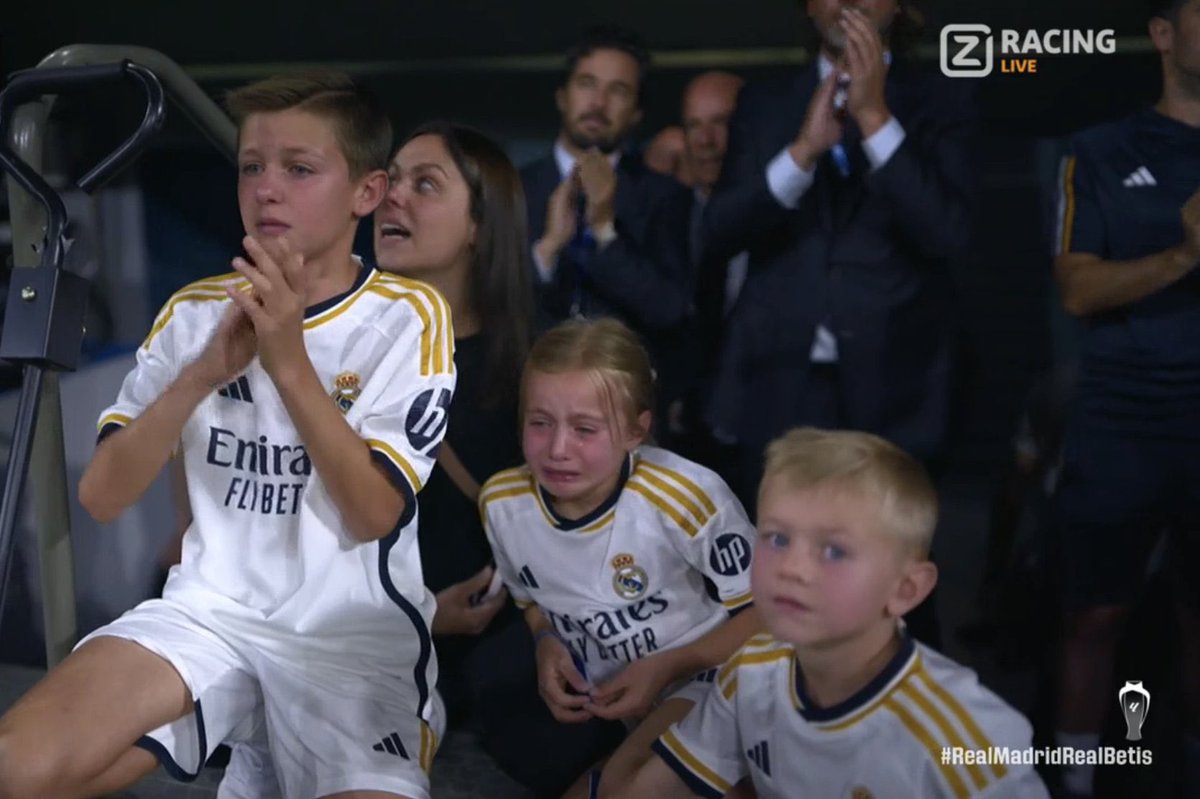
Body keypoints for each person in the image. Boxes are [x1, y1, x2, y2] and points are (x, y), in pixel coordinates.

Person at [0, 72, 455, 799]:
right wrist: (200, 375)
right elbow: (102, 494)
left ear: (366, 194)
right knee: (17, 767)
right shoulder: (193, 313)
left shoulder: (406, 316)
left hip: (345, 640)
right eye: (252, 167)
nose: (267, 188)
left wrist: (289, 361)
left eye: (299, 169)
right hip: (207, 615)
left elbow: (373, 513)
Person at [604, 428, 1051, 798]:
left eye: (834, 550)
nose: (792, 568)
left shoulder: (966, 742)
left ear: (905, 589)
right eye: (777, 539)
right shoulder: (752, 670)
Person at [700, 0, 974, 508]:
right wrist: (801, 153)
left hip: (899, 389)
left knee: (890, 568)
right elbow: (716, 235)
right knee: (771, 559)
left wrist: (874, 118)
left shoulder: (944, 95)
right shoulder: (763, 102)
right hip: (776, 382)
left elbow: (949, 234)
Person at [479, 318, 762, 799]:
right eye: (540, 423)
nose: (558, 449)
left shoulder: (685, 495)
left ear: (636, 431)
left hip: (717, 676)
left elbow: (773, 614)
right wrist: (546, 641)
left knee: (629, 790)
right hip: (628, 707)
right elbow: (530, 600)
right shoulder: (502, 504)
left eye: (585, 429)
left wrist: (672, 665)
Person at [1052, 1, 1200, 795]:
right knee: (1095, 614)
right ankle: (1075, 777)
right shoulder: (1100, 150)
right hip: (1124, 420)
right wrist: (1183, 254)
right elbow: (1076, 288)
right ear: (1165, 32)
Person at [521, 25, 694, 444]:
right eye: (586, 85)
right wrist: (545, 251)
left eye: (618, 91)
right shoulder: (511, 188)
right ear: (563, 96)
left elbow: (673, 309)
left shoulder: (665, 197)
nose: (598, 103)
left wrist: (603, 230)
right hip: (523, 409)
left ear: (636, 112)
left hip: (627, 420)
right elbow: (488, 305)